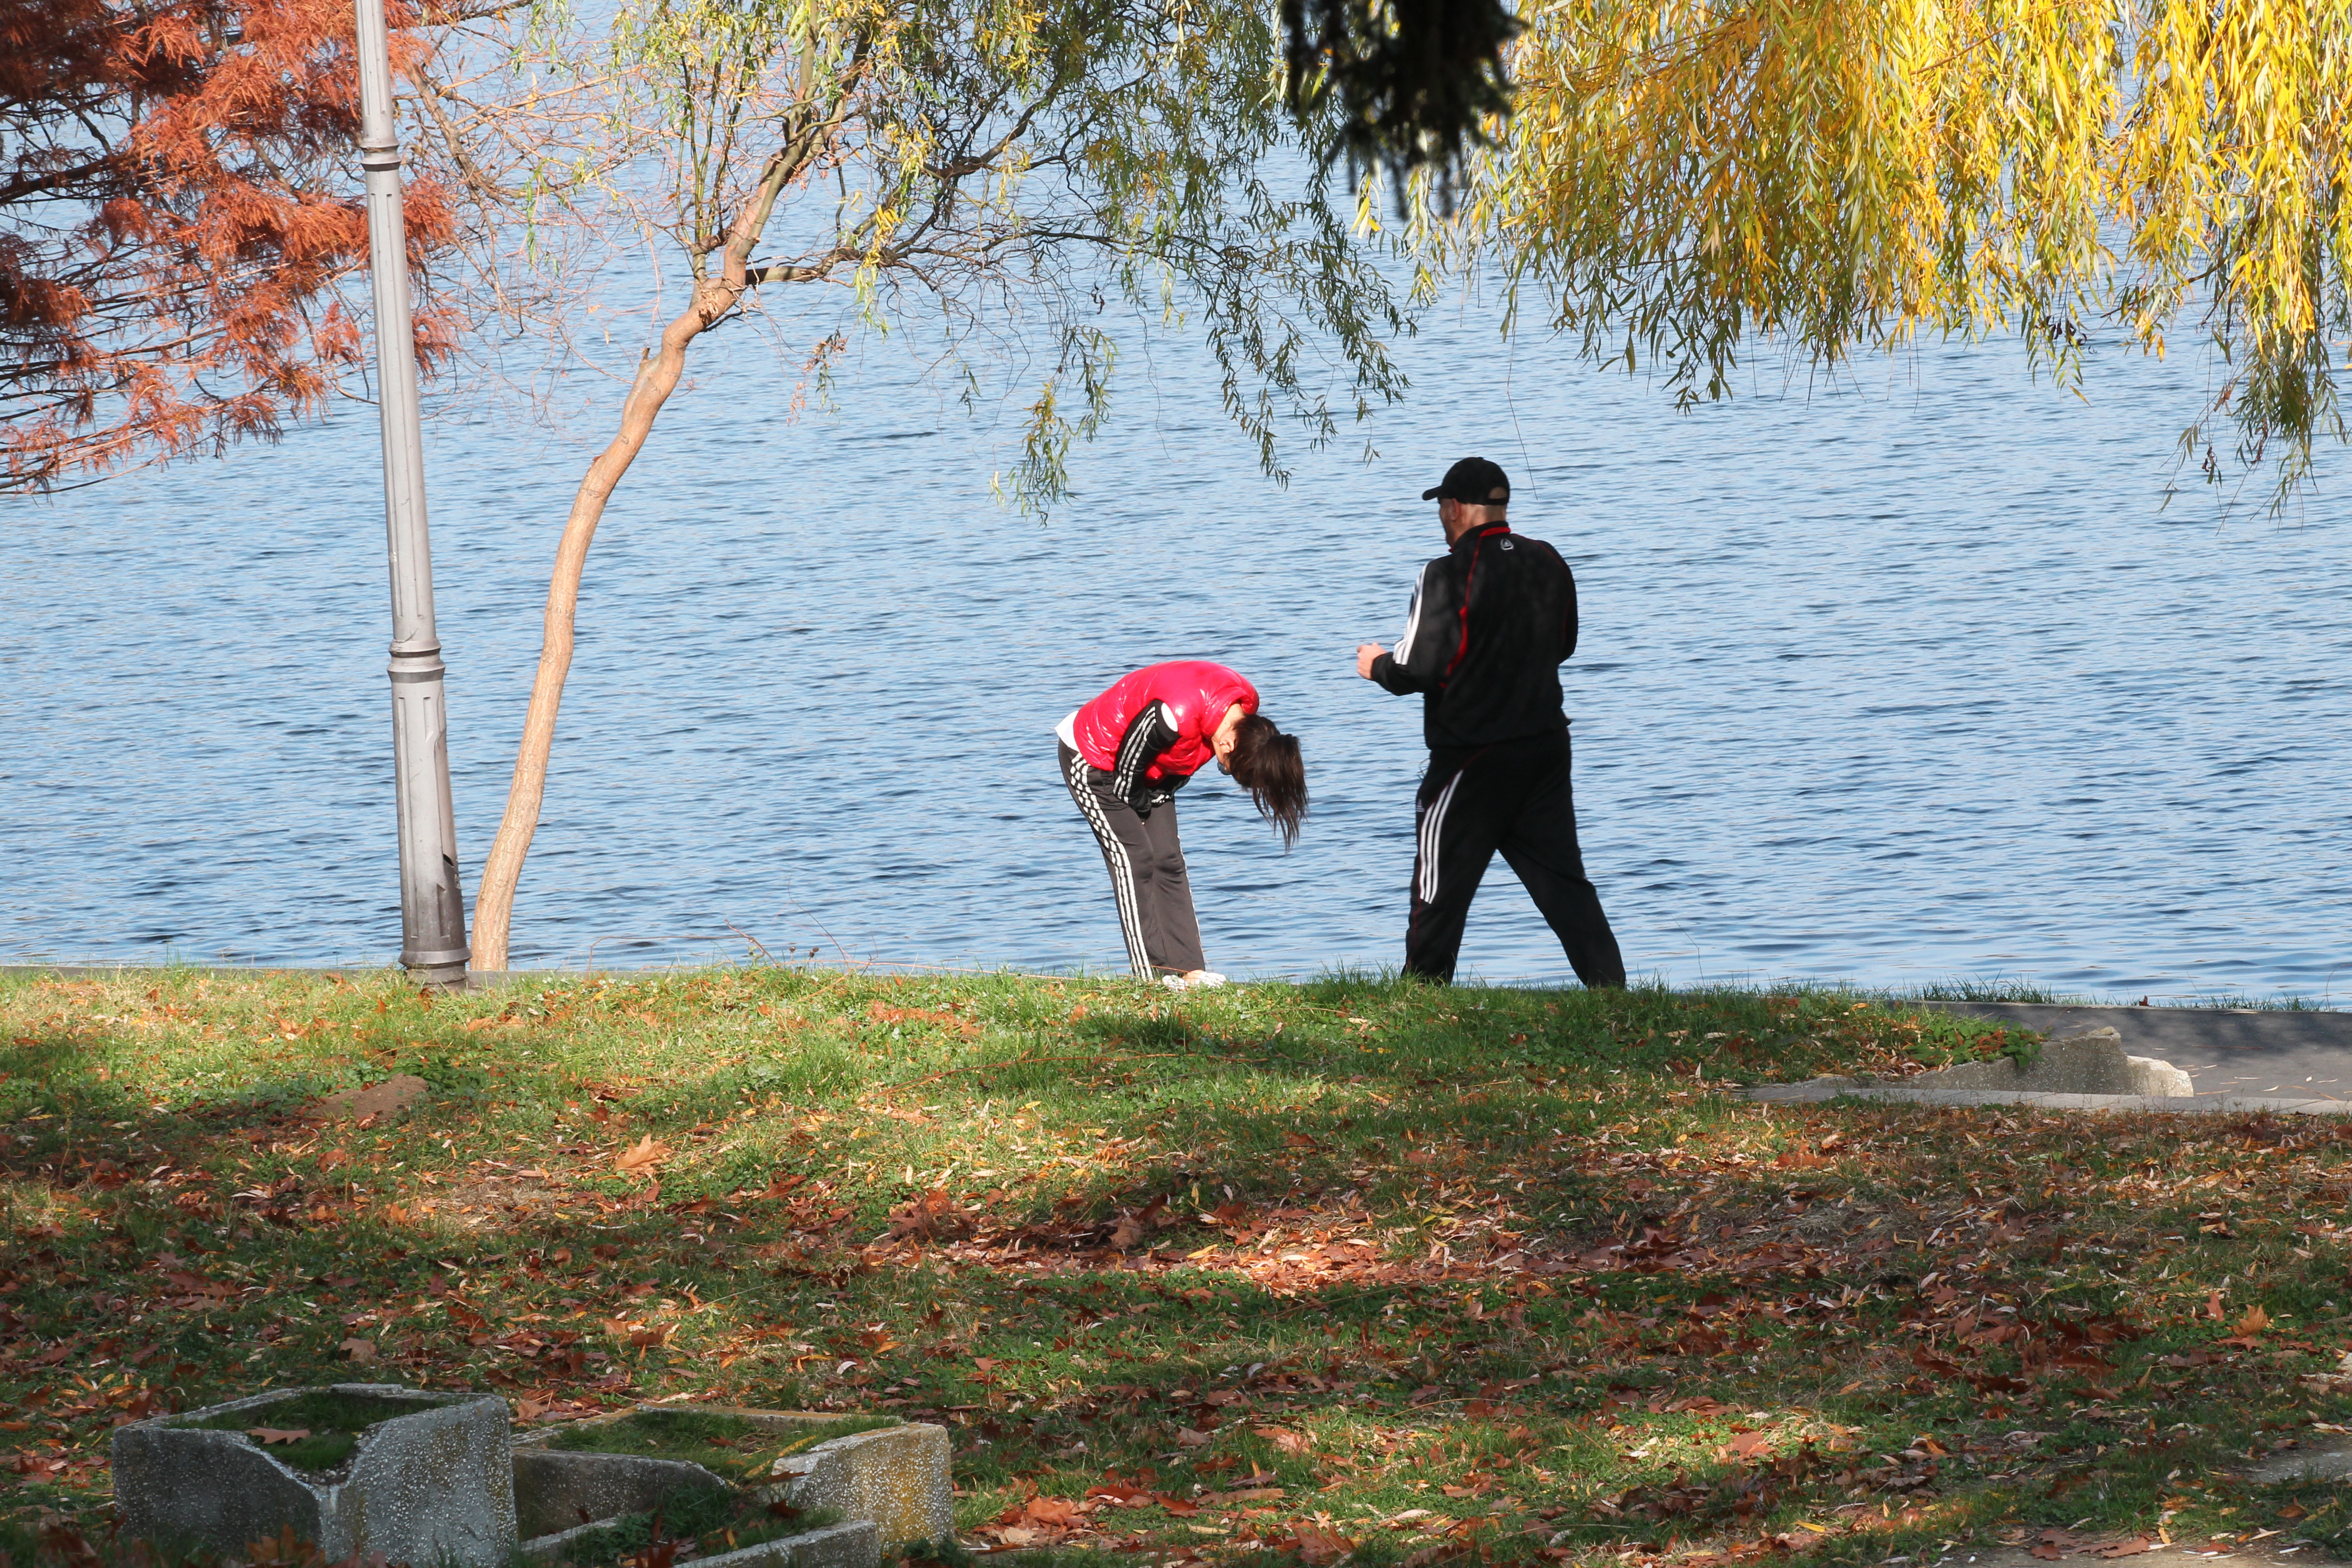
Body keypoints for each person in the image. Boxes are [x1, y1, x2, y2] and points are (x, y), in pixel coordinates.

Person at [1355, 456, 1627, 988]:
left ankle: (1421, 997)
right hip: (1545, 748)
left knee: (1439, 888)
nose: (1440, 517)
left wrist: (1377, 666)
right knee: (1564, 883)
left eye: (1441, 507)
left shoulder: (1444, 573)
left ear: (1454, 509)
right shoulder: (1548, 560)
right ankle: (1612, 991)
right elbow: (1565, 645)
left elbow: (1419, 668)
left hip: (1471, 758)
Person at [1058, 661, 1306, 989]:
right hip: (1092, 760)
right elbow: (1126, 777)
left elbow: (1178, 765)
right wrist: (1146, 804)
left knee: (1169, 860)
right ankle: (1151, 977)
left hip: (1148, 772)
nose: (1222, 768)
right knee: (1135, 860)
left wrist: (1158, 798)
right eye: (1228, 769)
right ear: (1229, 746)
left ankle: (1190, 971)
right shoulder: (1173, 715)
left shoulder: (1244, 717)